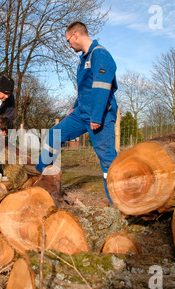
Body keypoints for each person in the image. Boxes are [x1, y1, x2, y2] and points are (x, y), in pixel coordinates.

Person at [35, 21, 119, 203]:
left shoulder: (100, 55)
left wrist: (96, 117)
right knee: (55, 134)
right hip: (81, 112)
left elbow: (102, 87)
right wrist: (74, 106)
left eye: (68, 40)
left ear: (75, 35)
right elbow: (85, 89)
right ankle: (39, 177)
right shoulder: (84, 58)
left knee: (107, 159)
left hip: (100, 115)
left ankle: (119, 201)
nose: (69, 45)